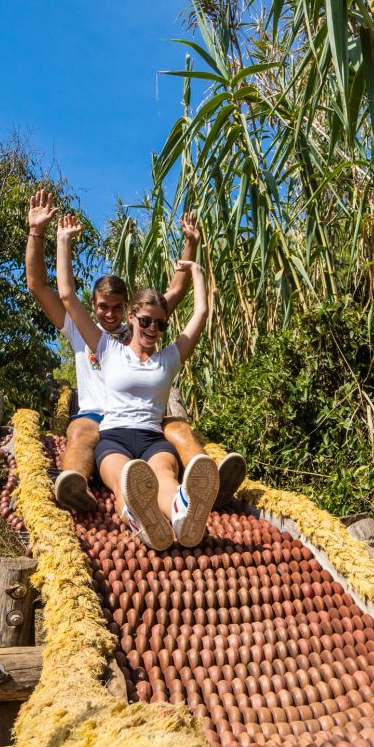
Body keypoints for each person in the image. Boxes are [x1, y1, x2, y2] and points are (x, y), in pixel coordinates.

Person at [24, 189, 246, 513]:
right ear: (93, 307)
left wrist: (191, 245)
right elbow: (41, 287)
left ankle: (207, 479)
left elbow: (175, 291)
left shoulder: (142, 330)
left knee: (179, 428)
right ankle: (74, 484)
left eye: (116, 307)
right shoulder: (85, 332)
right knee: (82, 430)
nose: (109, 315)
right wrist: (38, 232)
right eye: (102, 308)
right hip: (100, 418)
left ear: (129, 309)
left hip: (144, 420)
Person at [56, 211, 215, 550]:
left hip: (152, 437)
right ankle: (140, 516)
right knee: (125, 479)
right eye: (146, 321)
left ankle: (182, 514)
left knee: (165, 476)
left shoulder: (169, 357)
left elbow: (200, 313)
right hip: (113, 437)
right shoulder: (108, 348)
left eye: (161, 324)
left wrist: (197, 269)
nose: (153, 329)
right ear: (132, 317)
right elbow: (68, 296)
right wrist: (63, 242)